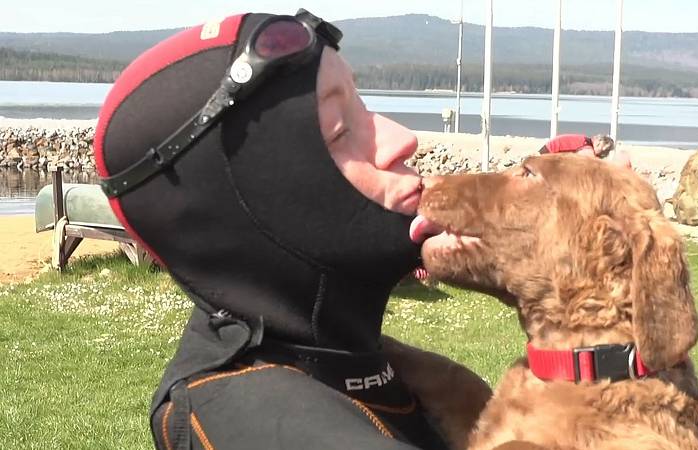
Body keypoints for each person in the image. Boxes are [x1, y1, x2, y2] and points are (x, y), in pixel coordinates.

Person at [93, 10, 487, 450]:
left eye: (364, 107)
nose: (402, 138)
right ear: (262, 208)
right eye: (341, 131)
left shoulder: (364, 363)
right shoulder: (250, 416)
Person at [538, 133, 615, 159]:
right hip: (550, 152)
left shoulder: (585, 141)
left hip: (548, 148)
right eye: (603, 151)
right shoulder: (588, 149)